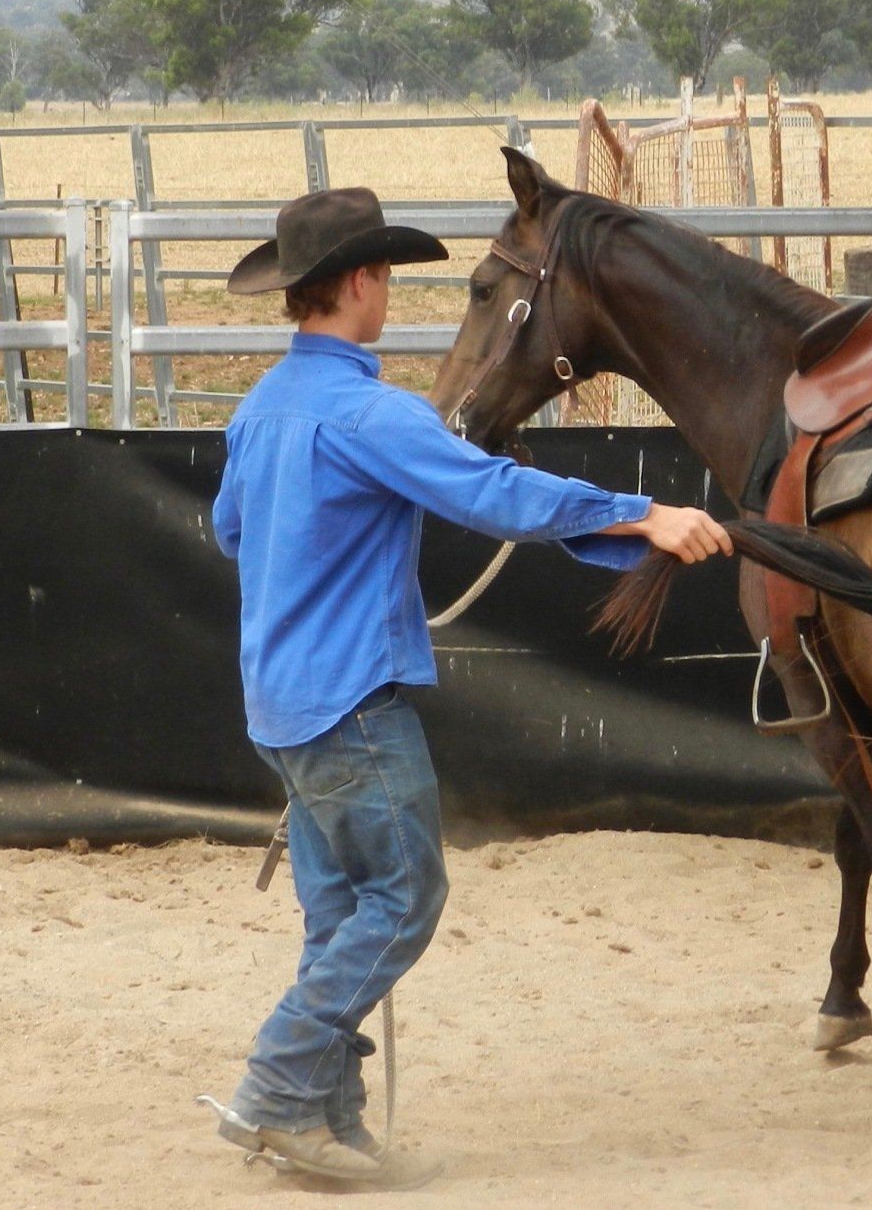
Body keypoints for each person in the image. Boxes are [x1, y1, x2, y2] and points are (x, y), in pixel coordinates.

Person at [203, 186, 731, 1189]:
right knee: (405, 896)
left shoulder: (261, 407)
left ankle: (326, 1122)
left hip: (279, 702)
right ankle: (276, 1086)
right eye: (386, 277)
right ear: (363, 281)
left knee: (340, 915)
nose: (389, 293)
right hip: (350, 700)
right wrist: (642, 514)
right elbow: (493, 495)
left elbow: (233, 531)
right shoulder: (371, 413)